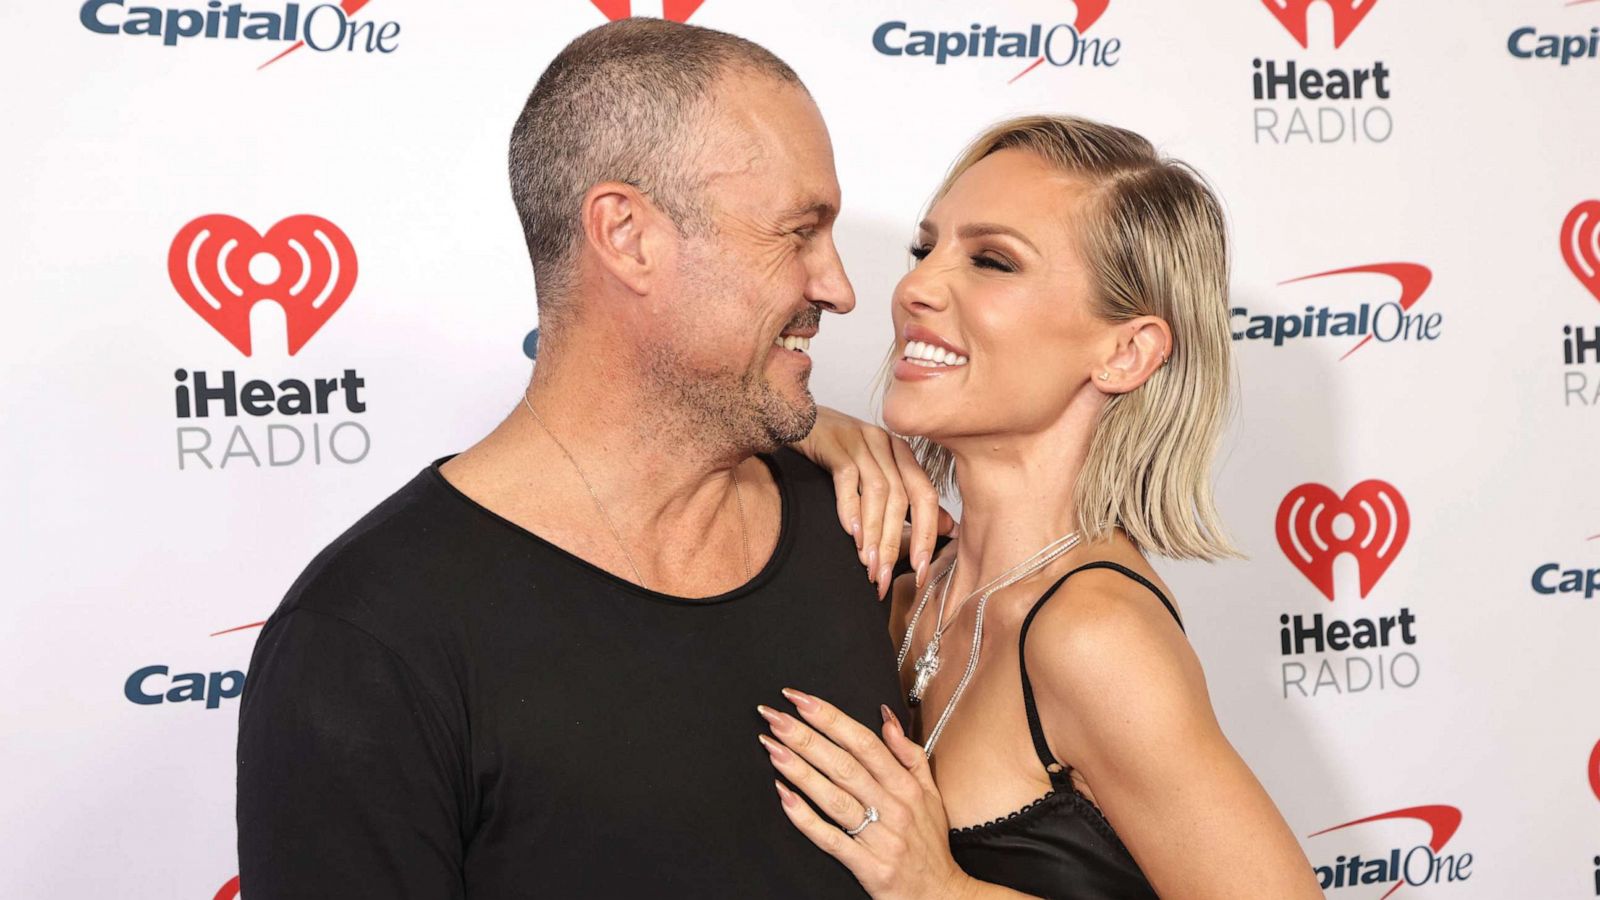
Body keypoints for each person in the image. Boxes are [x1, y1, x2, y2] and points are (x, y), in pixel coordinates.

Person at [235, 19, 944, 899]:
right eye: (797, 232)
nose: (838, 286)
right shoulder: (369, 642)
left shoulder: (869, 525)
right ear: (627, 234)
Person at [756, 116, 1324, 899]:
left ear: (1125, 352)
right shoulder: (918, 573)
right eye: (926, 248)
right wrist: (802, 424)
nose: (916, 286)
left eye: (992, 261)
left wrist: (940, 889)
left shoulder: (1093, 635)